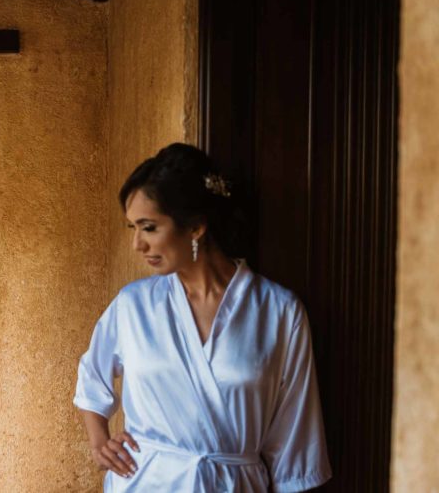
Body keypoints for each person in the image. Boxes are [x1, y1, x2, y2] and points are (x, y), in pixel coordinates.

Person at [74, 143, 331, 492]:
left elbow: (295, 431)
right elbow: (92, 375)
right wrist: (99, 441)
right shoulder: (133, 306)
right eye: (131, 227)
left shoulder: (279, 311)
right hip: (146, 481)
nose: (137, 244)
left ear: (195, 227)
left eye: (149, 228)